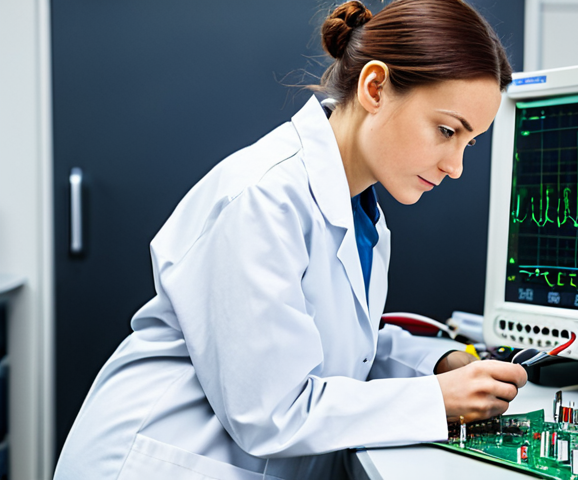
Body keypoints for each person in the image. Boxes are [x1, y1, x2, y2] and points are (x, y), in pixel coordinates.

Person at [53, 0, 527, 478]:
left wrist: (439, 361)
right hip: (152, 463)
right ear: (375, 88)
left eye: (469, 142)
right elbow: (272, 411)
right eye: (446, 131)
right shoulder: (263, 198)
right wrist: (435, 399)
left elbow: (337, 346)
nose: (456, 166)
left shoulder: (356, 208)